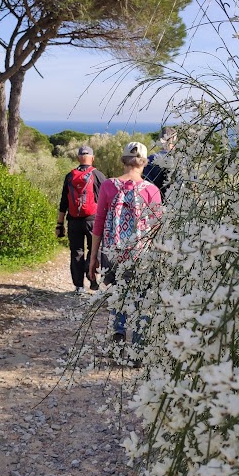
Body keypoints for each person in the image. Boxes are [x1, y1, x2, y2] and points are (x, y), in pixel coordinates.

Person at [88, 142, 162, 343]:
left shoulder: (108, 185)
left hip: (113, 252)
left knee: (117, 295)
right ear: (144, 163)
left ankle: (118, 334)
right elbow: (157, 228)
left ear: (123, 160)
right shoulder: (152, 190)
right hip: (142, 253)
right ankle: (138, 346)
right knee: (142, 299)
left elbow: (99, 224)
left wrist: (93, 258)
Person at [57, 145, 107, 293]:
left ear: (79, 158)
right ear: (92, 158)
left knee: (76, 251)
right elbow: (105, 200)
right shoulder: (98, 175)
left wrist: (59, 224)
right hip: (93, 220)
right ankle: (92, 277)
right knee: (94, 250)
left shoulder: (70, 176)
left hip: (73, 220)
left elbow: (63, 202)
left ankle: (79, 286)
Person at [142, 127, 178, 198]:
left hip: (153, 201)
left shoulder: (150, 159)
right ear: (174, 140)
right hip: (176, 202)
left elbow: (145, 184)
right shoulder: (179, 160)